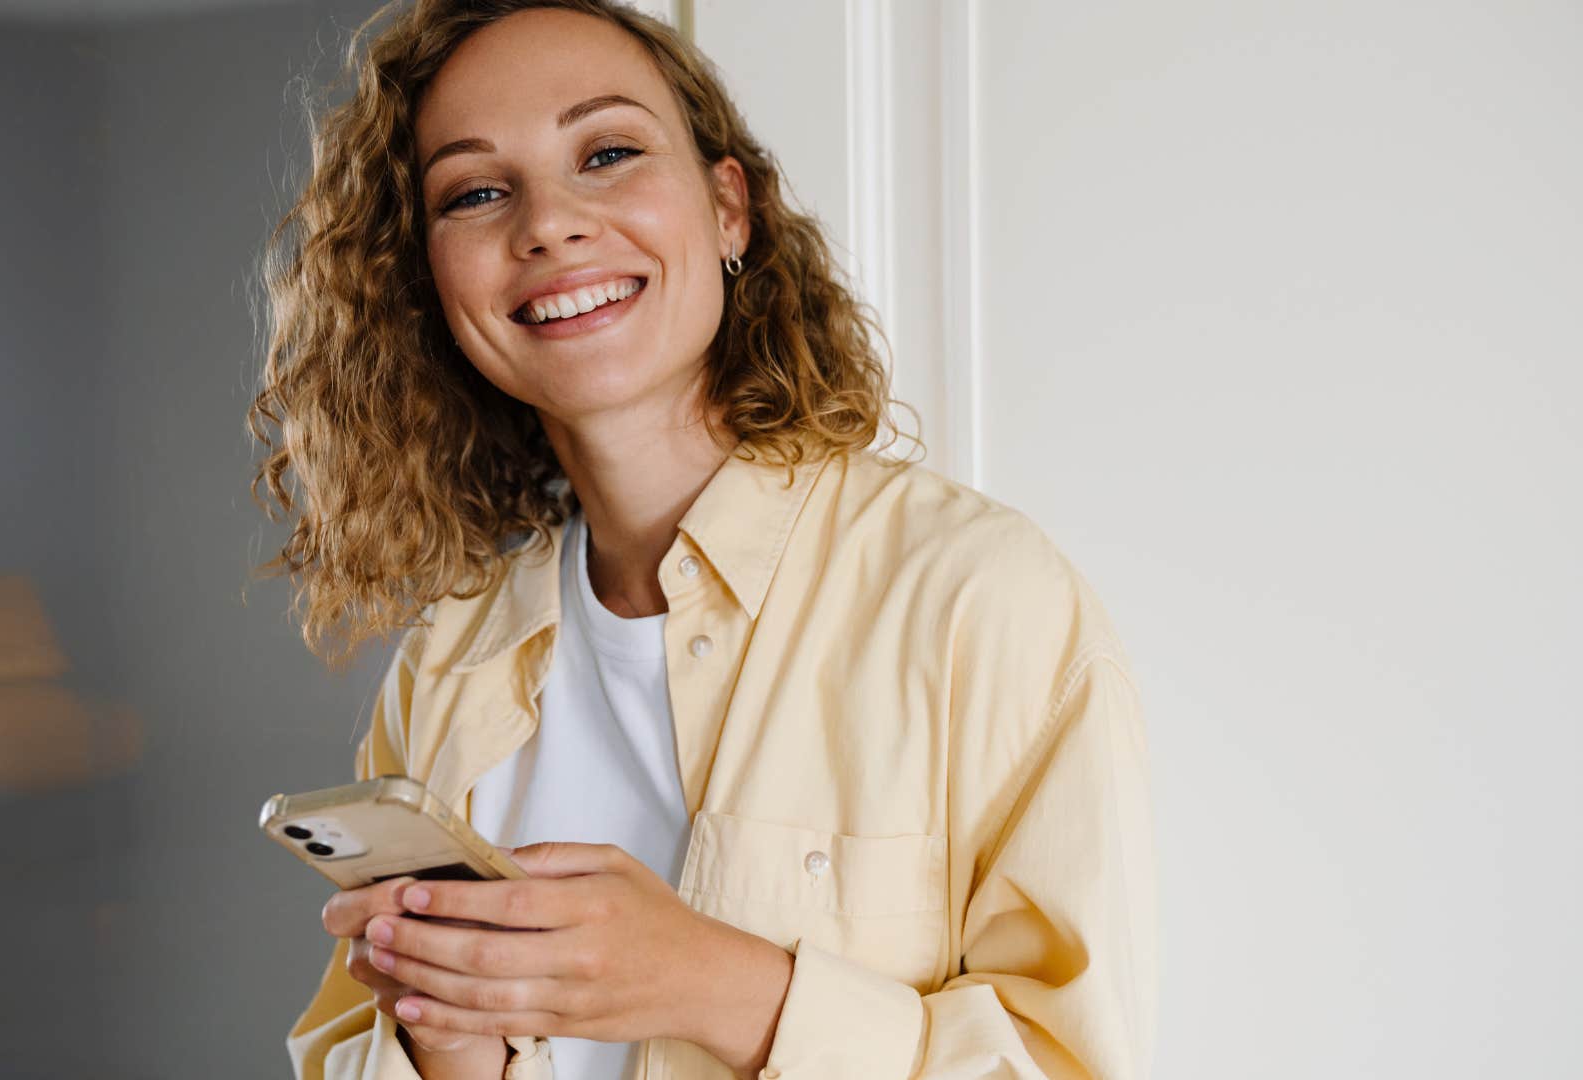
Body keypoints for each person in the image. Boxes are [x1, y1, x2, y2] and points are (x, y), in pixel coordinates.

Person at [246, 1, 1156, 1078]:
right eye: (477, 191)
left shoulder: (979, 599)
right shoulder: (447, 667)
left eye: (609, 152)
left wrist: (700, 981)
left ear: (731, 209)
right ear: (433, 284)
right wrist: (450, 1039)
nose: (547, 224)